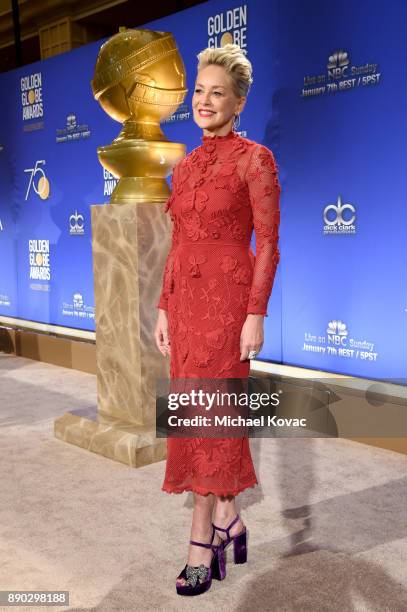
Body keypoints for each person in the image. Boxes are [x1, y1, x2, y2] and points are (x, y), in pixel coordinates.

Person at [154, 43, 281, 596]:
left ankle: (201, 539)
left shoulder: (256, 159)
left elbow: (269, 244)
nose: (205, 102)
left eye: (217, 93)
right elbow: (178, 240)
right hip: (185, 309)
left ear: (239, 102)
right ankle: (230, 519)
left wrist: (255, 314)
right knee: (194, 416)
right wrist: (163, 304)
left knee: (214, 417)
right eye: (199, 92)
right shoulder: (184, 166)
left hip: (229, 307)